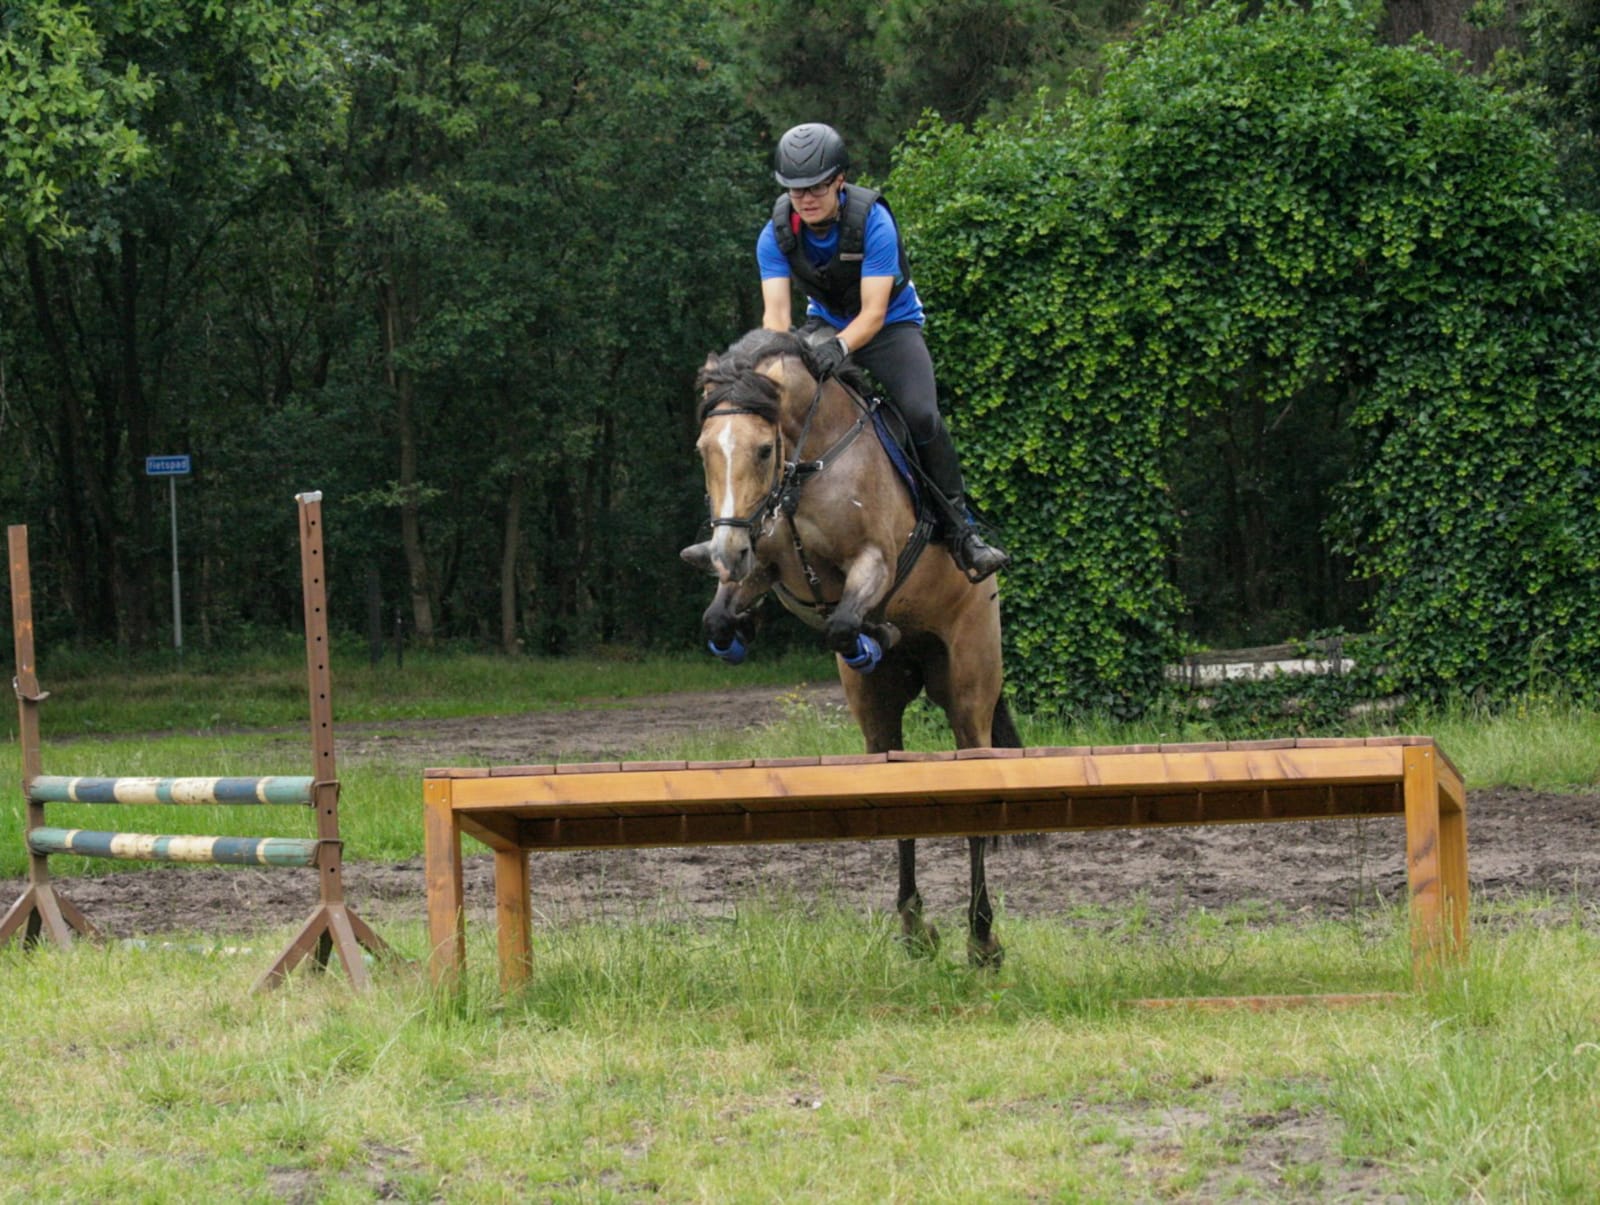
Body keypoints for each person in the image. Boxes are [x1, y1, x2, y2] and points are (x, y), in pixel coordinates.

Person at [685, 122, 1008, 583]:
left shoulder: (874, 222)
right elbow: (776, 319)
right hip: (824, 326)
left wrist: (839, 347)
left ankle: (962, 531)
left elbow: (874, 313)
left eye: (816, 187)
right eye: (795, 190)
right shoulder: (774, 235)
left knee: (921, 415)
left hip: (891, 326)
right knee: (769, 414)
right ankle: (734, 529)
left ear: (839, 181)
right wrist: (768, 375)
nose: (805, 198)